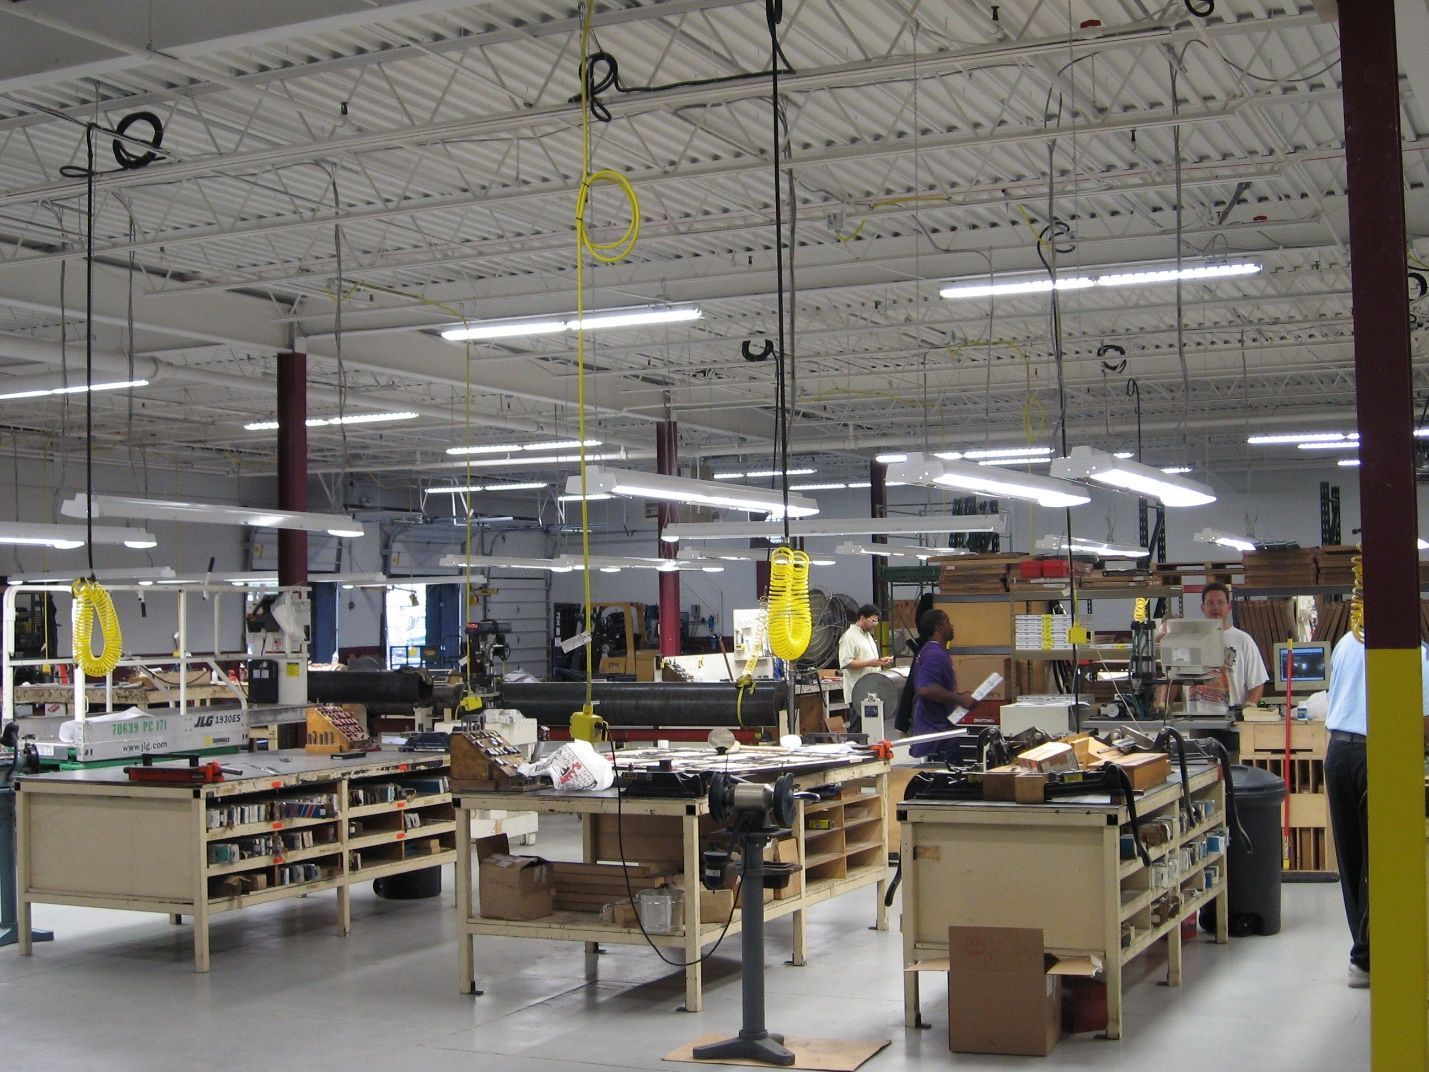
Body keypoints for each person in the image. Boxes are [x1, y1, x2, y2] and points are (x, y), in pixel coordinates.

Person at [1323, 629, 1429, 989]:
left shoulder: (1343, 644)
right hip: (1379, 753)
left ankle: (1363, 955)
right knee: (1382, 858)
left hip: (1338, 752)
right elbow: (1423, 720)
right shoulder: (1413, 650)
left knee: (1352, 859)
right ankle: (1371, 957)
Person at [1186, 582, 1269, 709]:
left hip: (1231, 720)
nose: (1216, 607)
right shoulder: (1190, 640)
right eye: (1210, 603)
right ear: (1202, 608)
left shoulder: (1243, 640)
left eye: (1220, 602)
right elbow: (1174, 677)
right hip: (1196, 720)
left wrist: (1248, 708)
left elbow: (1257, 682)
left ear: (1229, 607)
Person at [908, 609, 978, 759]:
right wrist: (959, 700)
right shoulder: (934, 653)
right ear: (939, 627)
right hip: (934, 739)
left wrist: (959, 697)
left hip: (941, 735)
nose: (951, 626)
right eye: (948, 622)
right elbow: (925, 689)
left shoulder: (935, 651)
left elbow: (935, 687)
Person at [839, 603, 892, 703]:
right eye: (873, 621)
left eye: (876, 623)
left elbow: (868, 659)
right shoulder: (849, 637)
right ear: (862, 618)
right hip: (858, 692)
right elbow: (845, 663)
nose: (875, 625)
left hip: (873, 690)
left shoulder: (868, 635)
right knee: (859, 718)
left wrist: (881, 662)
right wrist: (869, 663)